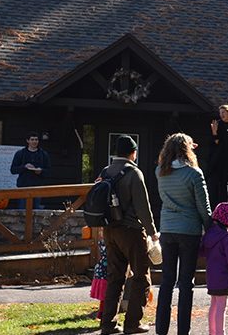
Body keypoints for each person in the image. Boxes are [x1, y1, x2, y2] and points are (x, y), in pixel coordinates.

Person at [155, 133, 213, 335]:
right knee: (186, 283)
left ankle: (161, 330)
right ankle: (183, 331)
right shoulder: (194, 174)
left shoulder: (160, 171)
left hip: (167, 228)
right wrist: (211, 227)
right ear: (188, 150)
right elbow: (203, 206)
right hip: (189, 230)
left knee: (166, 281)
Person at [99, 135, 157, 334]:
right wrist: (152, 232)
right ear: (133, 152)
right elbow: (143, 207)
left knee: (115, 277)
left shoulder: (106, 171)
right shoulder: (134, 173)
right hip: (131, 231)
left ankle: (108, 323)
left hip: (109, 230)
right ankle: (133, 323)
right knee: (142, 276)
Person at [200, 202, 228, 335]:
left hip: (212, 276)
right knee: (221, 306)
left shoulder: (209, 235)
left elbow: (202, 252)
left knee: (214, 304)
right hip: (224, 276)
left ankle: (212, 331)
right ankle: (220, 332)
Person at [10, 132, 51, 209]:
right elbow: (13, 170)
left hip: (37, 187)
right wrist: (24, 167)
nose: (34, 141)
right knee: (22, 211)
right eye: (32, 139)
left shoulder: (43, 154)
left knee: (36, 212)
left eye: (36, 140)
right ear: (27, 141)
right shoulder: (20, 153)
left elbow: (48, 171)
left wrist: (41, 171)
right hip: (23, 186)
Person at [91, 231, 108, 320]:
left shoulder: (101, 242)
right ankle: (103, 315)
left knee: (104, 298)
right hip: (106, 272)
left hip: (101, 271)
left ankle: (101, 314)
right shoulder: (107, 244)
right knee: (107, 296)